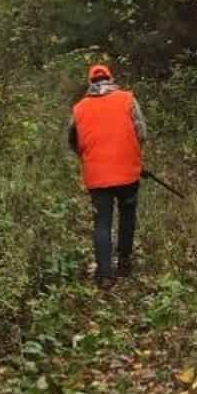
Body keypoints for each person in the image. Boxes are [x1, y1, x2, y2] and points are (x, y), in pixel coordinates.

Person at [67, 63, 147, 287]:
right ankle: (124, 262)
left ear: (90, 82)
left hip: (97, 175)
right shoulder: (127, 99)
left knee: (102, 222)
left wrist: (87, 157)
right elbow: (141, 132)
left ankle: (104, 274)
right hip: (128, 173)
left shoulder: (79, 108)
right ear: (110, 79)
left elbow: (73, 140)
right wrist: (131, 154)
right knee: (127, 215)